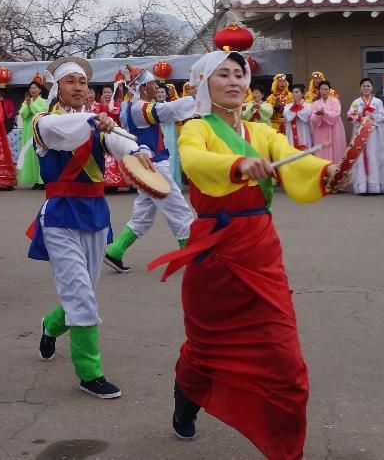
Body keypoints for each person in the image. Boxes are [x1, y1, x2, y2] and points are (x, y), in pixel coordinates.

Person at [147, 50, 351, 457]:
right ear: (204, 83)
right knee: (205, 349)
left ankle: (285, 450)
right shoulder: (195, 128)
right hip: (215, 253)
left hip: (260, 250)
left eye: (239, 74)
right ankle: (186, 400)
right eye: (222, 74)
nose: (234, 81)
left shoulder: (262, 132)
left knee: (286, 362)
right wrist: (238, 165)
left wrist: (326, 172)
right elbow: (193, 161)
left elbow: (294, 162)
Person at [29, 57, 152, 399]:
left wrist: (137, 149)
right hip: (60, 216)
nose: (78, 88)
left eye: (82, 83)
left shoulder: (99, 123)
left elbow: (119, 142)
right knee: (81, 296)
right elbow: (66, 133)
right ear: (58, 88)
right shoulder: (45, 122)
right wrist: (97, 122)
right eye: (70, 82)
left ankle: (50, 325)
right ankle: (89, 373)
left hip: (96, 214)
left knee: (83, 294)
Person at [104, 66, 197, 273]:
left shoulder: (129, 105)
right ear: (144, 87)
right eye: (154, 83)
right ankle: (193, 259)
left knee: (144, 213)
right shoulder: (139, 108)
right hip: (152, 165)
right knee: (178, 209)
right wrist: (197, 98)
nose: (157, 86)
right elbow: (167, 111)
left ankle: (116, 251)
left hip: (144, 165)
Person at [347, 78, 384, 194]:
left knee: (374, 156)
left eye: (368, 86)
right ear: (360, 88)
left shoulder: (377, 102)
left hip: (374, 134)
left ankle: (374, 186)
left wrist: (373, 117)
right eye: (363, 86)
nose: (366, 88)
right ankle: (362, 186)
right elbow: (350, 115)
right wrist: (359, 118)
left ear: (372, 88)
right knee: (361, 157)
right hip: (360, 133)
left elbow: (383, 115)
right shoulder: (356, 102)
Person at [95, 85, 130, 191]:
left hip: (117, 132)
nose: (107, 94)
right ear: (102, 94)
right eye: (105, 92)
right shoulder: (98, 106)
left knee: (119, 155)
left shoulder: (118, 105)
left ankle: (124, 181)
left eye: (109, 92)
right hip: (104, 133)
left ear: (112, 94)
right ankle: (108, 183)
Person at [18, 81, 47, 189]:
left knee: (40, 154)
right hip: (28, 131)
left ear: (40, 90)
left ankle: (42, 180)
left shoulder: (44, 101)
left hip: (39, 131)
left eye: (35, 88)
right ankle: (35, 180)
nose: (32, 90)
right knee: (30, 155)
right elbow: (23, 113)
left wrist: (32, 105)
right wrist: (28, 104)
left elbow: (41, 113)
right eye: (31, 88)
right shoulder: (26, 102)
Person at [310, 80, 345, 164]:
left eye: (326, 89)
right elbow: (313, 119)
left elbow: (336, 114)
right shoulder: (315, 103)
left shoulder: (335, 101)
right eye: (322, 89)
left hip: (335, 129)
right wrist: (318, 115)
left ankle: (337, 170)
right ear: (319, 90)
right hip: (321, 130)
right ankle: (323, 170)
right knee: (322, 150)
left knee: (336, 148)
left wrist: (324, 113)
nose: (324, 91)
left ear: (329, 90)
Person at [160, 84, 183, 186]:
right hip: (157, 132)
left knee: (171, 154)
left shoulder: (170, 106)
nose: (160, 94)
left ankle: (171, 182)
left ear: (166, 95)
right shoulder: (150, 106)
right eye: (158, 92)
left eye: (162, 92)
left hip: (169, 132)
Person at [284, 83, 313, 149]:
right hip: (291, 134)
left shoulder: (308, 106)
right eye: (293, 92)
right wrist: (294, 107)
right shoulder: (287, 106)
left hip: (304, 134)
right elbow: (288, 117)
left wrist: (297, 107)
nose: (294, 94)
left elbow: (305, 117)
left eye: (296, 92)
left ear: (302, 94)